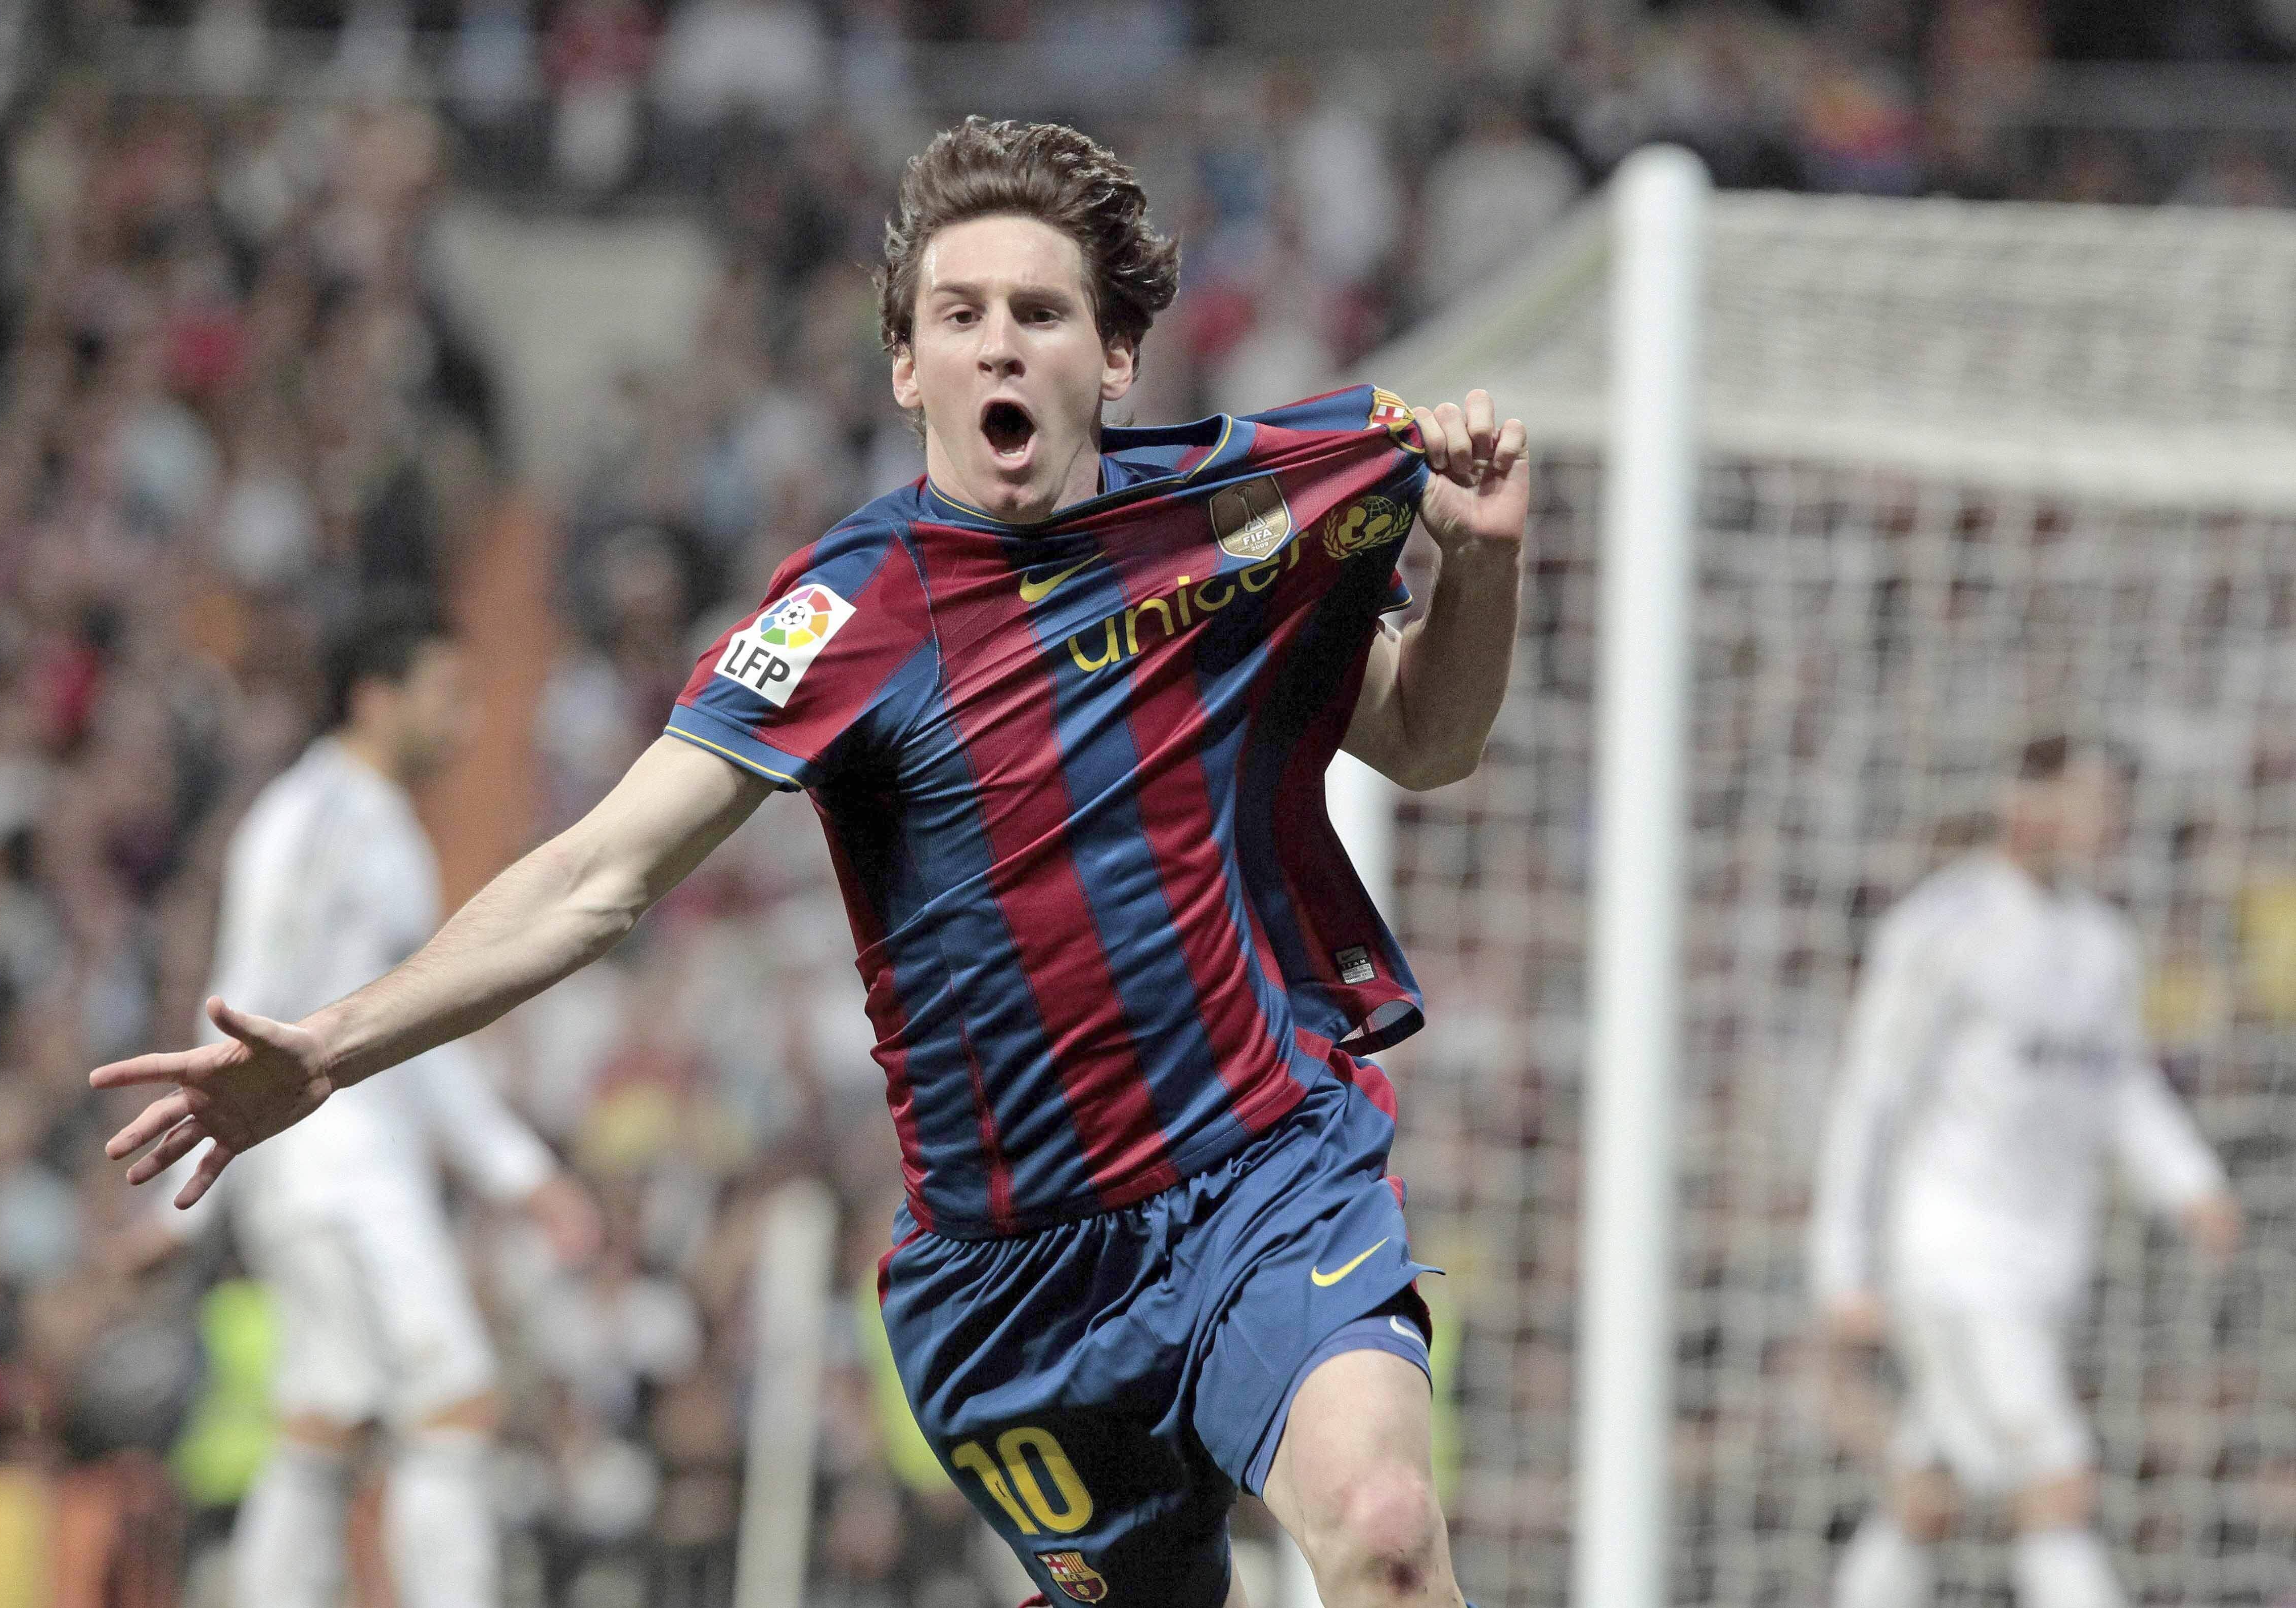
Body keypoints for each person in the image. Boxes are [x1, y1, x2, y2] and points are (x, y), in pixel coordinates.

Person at [93, 118, 1528, 1608]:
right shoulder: (847, 614)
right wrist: (330, 1048)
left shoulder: (1225, 527)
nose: (998, 345)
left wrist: (1480, 562)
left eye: (1039, 312)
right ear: (906, 366)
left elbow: (1428, 739)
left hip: (1262, 1174)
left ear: (1112, 358)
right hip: (1016, 1279)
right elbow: (597, 875)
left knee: (1383, 1529)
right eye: (957, 316)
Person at [124, 600, 600, 1608]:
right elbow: (244, 997)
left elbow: (412, 1042)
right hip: (333, 1168)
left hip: (339, 1164)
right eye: (448, 695)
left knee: (326, 1415)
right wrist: (180, 1193)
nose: (467, 721)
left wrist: (520, 1175)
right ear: (375, 699)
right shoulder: (318, 818)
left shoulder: (379, 824)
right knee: (453, 1395)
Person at [1808, 735, 2242, 1608]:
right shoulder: (1942, 929)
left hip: (2048, 1261)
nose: (2106, 819)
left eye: (2112, 802)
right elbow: (1872, 1096)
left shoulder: (2102, 942)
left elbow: (2120, 1082)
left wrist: (2190, 1181)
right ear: (2024, 801)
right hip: (1954, 1259)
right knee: (2059, 1483)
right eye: (2087, 798)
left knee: (1927, 1496)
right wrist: (1841, 1265)